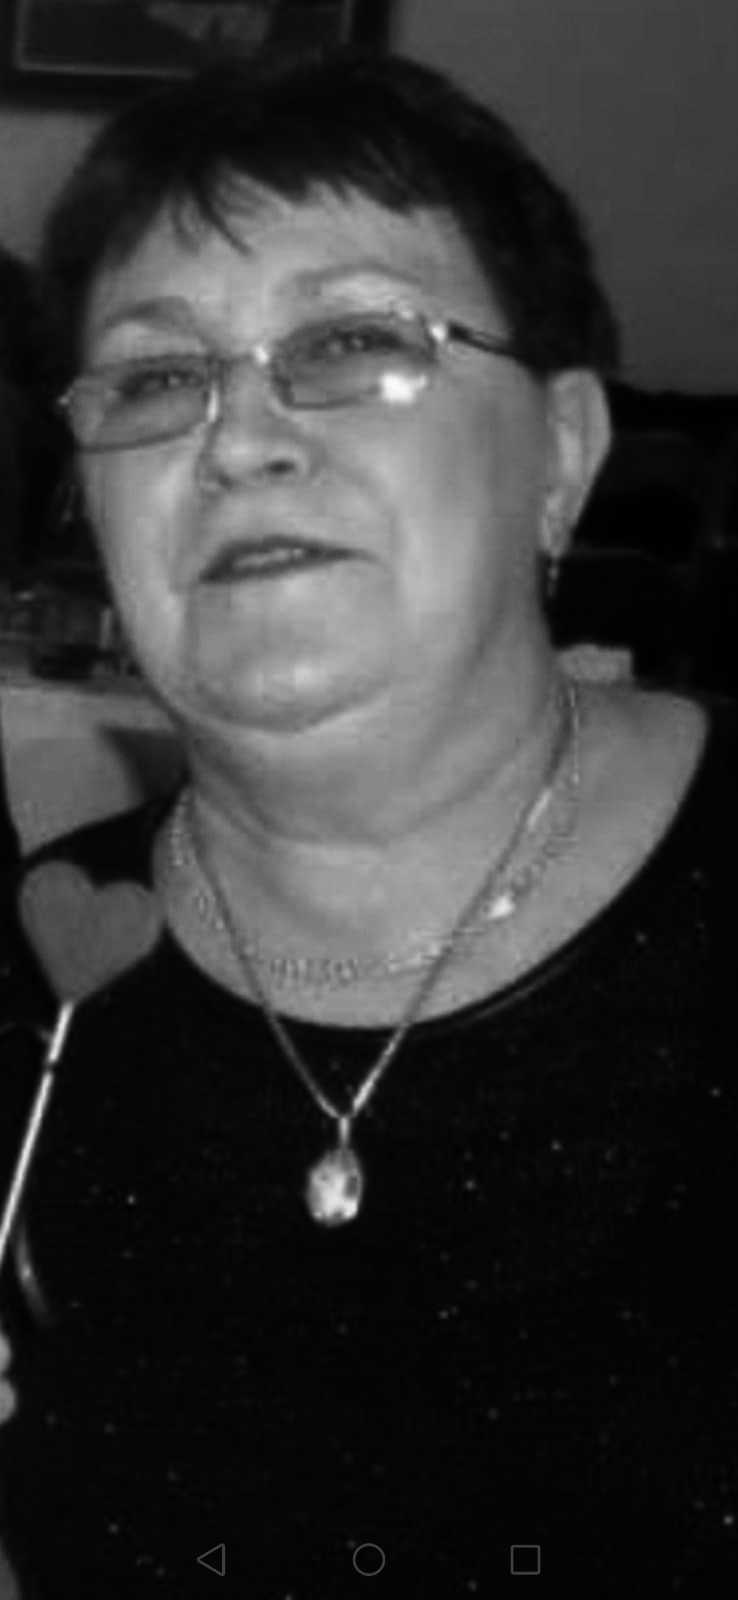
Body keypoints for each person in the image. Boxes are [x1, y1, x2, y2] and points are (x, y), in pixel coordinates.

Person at [0, 48, 735, 1598]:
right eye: (155, 378)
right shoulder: (36, 968)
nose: (237, 439)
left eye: (350, 341)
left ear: (561, 454)